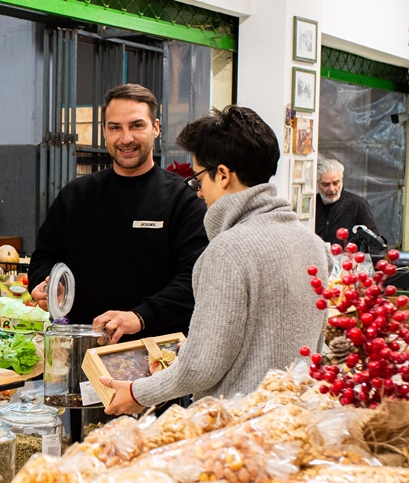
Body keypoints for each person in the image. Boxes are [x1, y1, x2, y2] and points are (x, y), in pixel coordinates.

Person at [99, 105, 329, 415]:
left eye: (198, 180)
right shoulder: (313, 244)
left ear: (222, 175)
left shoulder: (227, 250)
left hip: (236, 432)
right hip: (296, 422)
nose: (198, 193)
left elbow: (202, 368)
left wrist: (138, 392)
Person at [29, 84, 209, 344]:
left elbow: (194, 277)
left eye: (137, 125)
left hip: (157, 356)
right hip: (82, 350)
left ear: (156, 128)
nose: (126, 138)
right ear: (104, 131)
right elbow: (45, 256)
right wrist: (43, 284)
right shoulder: (76, 195)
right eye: (115, 127)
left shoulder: (183, 200)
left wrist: (139, 317)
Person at [315, 159, 379, 246]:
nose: (332, 189)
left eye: (336, 183)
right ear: (317, 184)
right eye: (325, 184)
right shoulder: (311, 206)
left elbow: (374, 241)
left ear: (342, 180)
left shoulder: (357, 205)